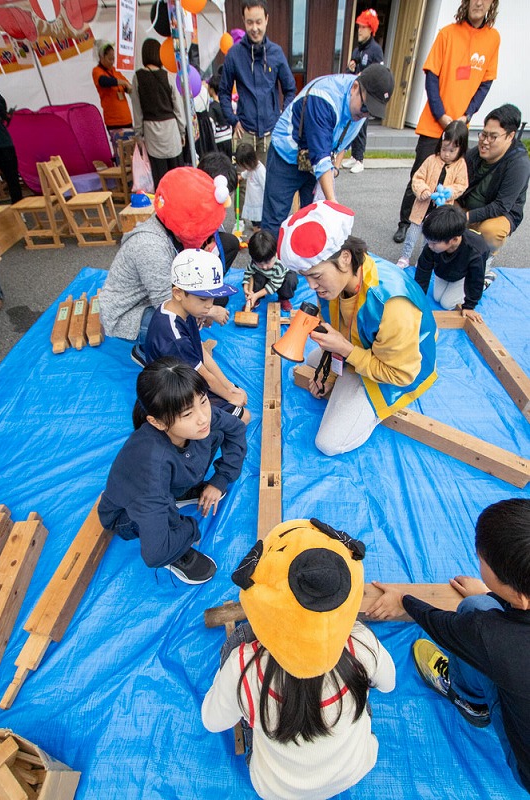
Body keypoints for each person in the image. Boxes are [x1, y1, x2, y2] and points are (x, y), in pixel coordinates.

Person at [202, 518, 396, 800]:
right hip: (354, 768)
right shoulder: (361, 644)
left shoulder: (245, 667)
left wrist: (236, 679)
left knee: (241, 636)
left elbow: (212, 721)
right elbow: (388, 684)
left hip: (275, 789)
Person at [366, 498, 530, 794]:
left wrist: (402, 599)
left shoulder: (490, 635)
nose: (478, 561)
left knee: (474, 606)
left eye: (482, 561)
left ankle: (471, 702)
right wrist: (502, 596)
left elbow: (440, 624)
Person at [277, 201, 437, 456]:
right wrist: (329, 375)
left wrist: (347, 352)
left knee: (328, 444)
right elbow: (338, 329)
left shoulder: (391, 304)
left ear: (345, 257)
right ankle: (349, 384)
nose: (311, 286)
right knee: (312, 359)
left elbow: (401, 374)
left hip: (400, 370)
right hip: (359, 348)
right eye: (305, 276)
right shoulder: (339, 279)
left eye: (316, 276)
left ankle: (371, 412)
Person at [98, 358, 247, 585]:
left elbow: (235, 428)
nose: (202, 417)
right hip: (127, 515)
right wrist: (190, 529)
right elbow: (154, 554)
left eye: (204, 400)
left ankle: (181, 491)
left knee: (214, 432)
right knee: (163, 535)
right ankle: (178, 552)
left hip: (166, 484)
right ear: (157, 422)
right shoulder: (150, 468)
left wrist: (220, 479)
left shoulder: (200, 417)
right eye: (187, 414)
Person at [99, 167, 235, 365]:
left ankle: (173, 342)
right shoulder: (150, 246)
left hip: (151, 296)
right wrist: (210, 311)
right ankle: (146, 351)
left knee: (207, 304)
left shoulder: (170, 229)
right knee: (181, 324)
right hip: (127, 314)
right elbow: (167, 307)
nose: (207, 238)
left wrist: (206, 307)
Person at [393, 0, 501, 244]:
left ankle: (439, 228)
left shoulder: (493, 39)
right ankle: (405, 222)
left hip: (461, 126)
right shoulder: (447, 34)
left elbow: (485, 83)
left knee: (453, 179)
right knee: (421, 173)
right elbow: (432, 77)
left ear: (492, 4)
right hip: (435, 122)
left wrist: (467, 116)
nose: (479, 2)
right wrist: (441, 115)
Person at [261, 64, 394, 238]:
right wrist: (333, 204)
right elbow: (320, 157)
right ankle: (265, 264)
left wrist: (336, 168)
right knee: (275, 218)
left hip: (314, 161)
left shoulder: (360, 108)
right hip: (287, 154)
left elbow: (342, 141)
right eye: (365, 107)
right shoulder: (324, 98)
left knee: (313, 217)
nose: (366, 114)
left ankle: (303, 261)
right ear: (355, 87)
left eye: (371, 112)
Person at [145, 249, 251, 423]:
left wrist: (229, 387)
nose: (209, 306)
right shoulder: (173, 336)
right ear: (178, 293)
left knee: (238, 397)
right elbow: (203, 375)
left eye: (212, 298)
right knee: (243, 417)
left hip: (187, 374)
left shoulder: (184, 310)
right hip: (173, 389)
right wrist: (230, 397)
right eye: (203, 299)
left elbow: (201, 353)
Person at [218, 0, 296, 168]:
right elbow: (223, 92)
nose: (255, 28)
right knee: (244, 185)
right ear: (243, 20)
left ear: (266, 19)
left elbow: (290, 89)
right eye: (250, 22)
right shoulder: (234, 55)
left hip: (270, 134)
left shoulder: (276, 53)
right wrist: (233, 120)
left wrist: (282, 119)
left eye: (259, 22)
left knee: (269, 183)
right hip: (244, 133)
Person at [459, 103, 530, 258]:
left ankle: (485, 262)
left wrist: (466, 217)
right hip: (468, 207)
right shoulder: (476, 153)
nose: (485, 141)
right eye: (484, 134)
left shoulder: (518, 164)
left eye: (493, 137)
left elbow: (501, 206)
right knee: (443, 208)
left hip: (498, 214)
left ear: (510, 136)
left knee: (490, 231)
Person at [396, 120, 469, 269]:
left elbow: (462, 185)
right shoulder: (431, 160)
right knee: (412, 235)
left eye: (451, 151)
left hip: (439, 212)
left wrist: (448, 192)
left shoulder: (460, 165)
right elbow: (418, 177)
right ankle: (405, 257)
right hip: (421, 209)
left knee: (430, 240)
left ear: (461, 149)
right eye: (444, 149)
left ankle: (423, 260)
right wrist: (422, 190)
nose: (446, 154)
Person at [415, 206, 489, 322]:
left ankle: (487, 280)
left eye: (434, 243)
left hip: (464, 275)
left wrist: (469, 306)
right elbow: (423, 271)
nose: (429, 245)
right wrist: (417, 299)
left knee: (447, 303)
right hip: (445, 271)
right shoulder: (434, 243)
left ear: (454, 240)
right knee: (437, 297)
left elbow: (475, 279)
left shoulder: (475, 251)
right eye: (428, 241)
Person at [132, 39, 186, 189]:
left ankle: (163, 209)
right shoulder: (168, 76)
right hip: (171, 129)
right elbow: (178, 108)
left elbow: (137, 110)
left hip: (151, 132)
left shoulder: (137, 78)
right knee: (177, 175)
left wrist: (139, 134)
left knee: (160, 179)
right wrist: (182, 131)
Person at [341, 8, 385, 175]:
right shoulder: (357, 50)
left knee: (361, 126)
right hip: (355, 95)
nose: (359, 30)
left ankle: (360, 159)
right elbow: (349, 74)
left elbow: (378, 74)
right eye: (359, 26)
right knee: (352, 125)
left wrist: (363, 76)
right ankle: (354, 155)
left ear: (371, 29)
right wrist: (350, 68)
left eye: (363, 27)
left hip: (366, 97)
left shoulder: (375, 50)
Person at [92, 40, 134, 156]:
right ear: (101, 57)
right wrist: (121, 83)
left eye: (113, 58)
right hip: (114, 121)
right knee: (121, 155)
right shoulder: (97, 72)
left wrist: (128, 87)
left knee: (132, 154)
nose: (112, 62)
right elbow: (104, 81)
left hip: (127, 120)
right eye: (109, 59)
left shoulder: (115, 72)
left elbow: (127, 85)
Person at [243, 230, 298, 313]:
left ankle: (283, 298)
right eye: (260, 264)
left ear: (275, 253)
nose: (264, 267)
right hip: (265, 277)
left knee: (290, 279)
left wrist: (256, 294)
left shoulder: (280, 263)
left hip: (280, 279)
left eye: (268, 262)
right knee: (256, 277)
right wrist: (246, 287)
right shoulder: (254, 261)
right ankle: (254, 299)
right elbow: (248, 273)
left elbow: (274, 284)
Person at [0, 91, 22, 204]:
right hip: (3, 142)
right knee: (12, 179)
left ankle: (19, 209)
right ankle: (19, 210)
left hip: (3, 142)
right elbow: (2, 107)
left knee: (12, 179)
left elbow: (1, 107)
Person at [235, 142, 266, 230]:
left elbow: (265, 185)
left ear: (251, 161)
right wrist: (241, 176)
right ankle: (256, 229)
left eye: (245, 166)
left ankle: (258, 234)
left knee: (258, 222)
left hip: (258, 203)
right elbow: (246, 173)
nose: (245, 168)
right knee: (254, 220)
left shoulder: (260, 170)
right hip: (251, 201)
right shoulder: (251, 168)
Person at [207, 74, 232, 159]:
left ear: (212, 89)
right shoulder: (226, 103)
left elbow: (212, 125)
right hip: (229, 138)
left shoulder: (212, 107)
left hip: (219, 140)